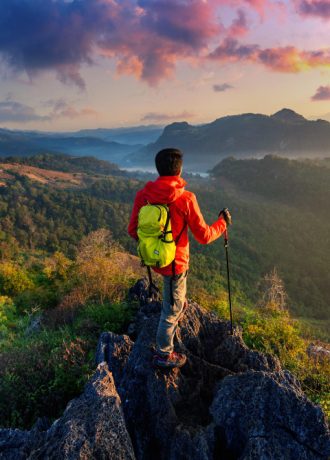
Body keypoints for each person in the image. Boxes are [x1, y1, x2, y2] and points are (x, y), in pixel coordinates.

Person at [128, 148, 231, 368]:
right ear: (179, 169)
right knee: (171, 310)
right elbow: (203, 236)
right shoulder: (186, 198)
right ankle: (164, 354)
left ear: (158, 168)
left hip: (156, 260)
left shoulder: (144, 196)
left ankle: (177, 307)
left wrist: (155, 245)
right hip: (176, 264)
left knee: (174, 298)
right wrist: (222, 224)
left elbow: (133, 230)